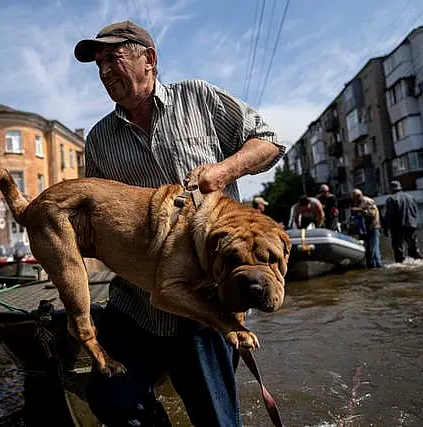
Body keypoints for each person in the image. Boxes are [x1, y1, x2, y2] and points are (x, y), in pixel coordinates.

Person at [74, 21, 284, 426]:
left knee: (216, 421)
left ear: (148, 59)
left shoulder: (198, 98)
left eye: (113, 59)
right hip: (135, 300)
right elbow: (96, 217)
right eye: (98, 64)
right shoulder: (99, 138)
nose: (103, 72)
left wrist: (224, 171)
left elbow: (269, 140)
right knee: (109, 399)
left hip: (204, 301)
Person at [382, 180, 423, 263]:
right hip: (411, 226)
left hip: (398, 227)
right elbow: (415, 211)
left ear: (392, 189)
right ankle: (418, 262)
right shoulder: (411, 197)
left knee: (398, 249)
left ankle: (401, 266)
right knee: (413, 247)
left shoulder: (391, 199)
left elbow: (388, 215)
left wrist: (385, 228)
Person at [350, 188, 383, 268]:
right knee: (367, 250)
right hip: (365, 229)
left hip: (373, 227)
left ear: (359, 196)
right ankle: (372, 266)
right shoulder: (359, 202)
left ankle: (377, 266)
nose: (354, 201)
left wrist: (360, 210)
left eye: (354, 199)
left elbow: (372, 213)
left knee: (373, 249)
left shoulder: (368, 201)